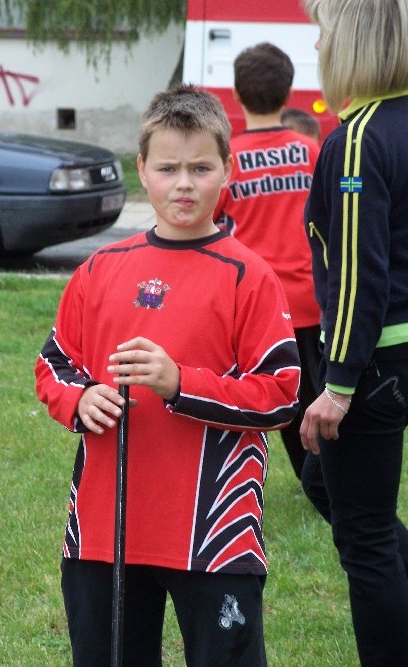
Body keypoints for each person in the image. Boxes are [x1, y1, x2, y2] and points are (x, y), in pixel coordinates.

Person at [35, 83, 301, 666]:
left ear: (227, 169)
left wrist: (181, 384)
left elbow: (281, 395)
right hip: (104, 531)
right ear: (142, 170)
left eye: (201, 168)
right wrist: (79, 400)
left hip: (214, 535)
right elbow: (54, 363)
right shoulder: (100, 268)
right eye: (168, 168)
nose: (184, 183)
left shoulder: (249, 276)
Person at [299, 1, 408, 665]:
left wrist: (337, 384)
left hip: (375, 360)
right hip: (393, 353)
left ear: (351, 42)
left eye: (323, 32)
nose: (318, 45)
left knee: (364, 537)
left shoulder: (359, 139)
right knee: (322, 482)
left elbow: (356, 276)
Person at [214, 42, 321, 481]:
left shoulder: (224, 161)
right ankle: (319, 478)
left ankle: (240, 473)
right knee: (312, 397)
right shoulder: (312, 151)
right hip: (311, 302)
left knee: (251, 394)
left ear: (236, 95)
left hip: (251, 305)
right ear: (289, 93)